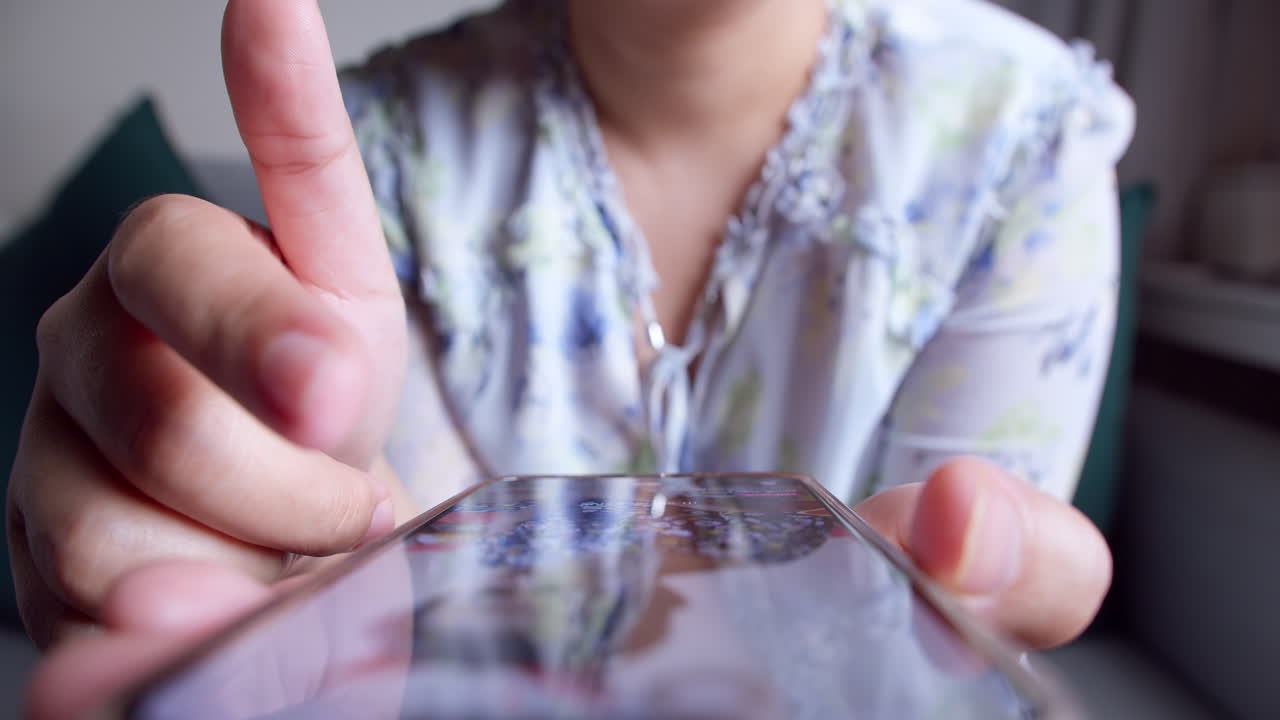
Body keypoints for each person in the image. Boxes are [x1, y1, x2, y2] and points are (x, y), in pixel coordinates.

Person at [11, 0, 1132, 715]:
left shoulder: (1026, 137)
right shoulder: (372, 153)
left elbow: (929, 653)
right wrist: (283, 538)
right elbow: (407, 628)